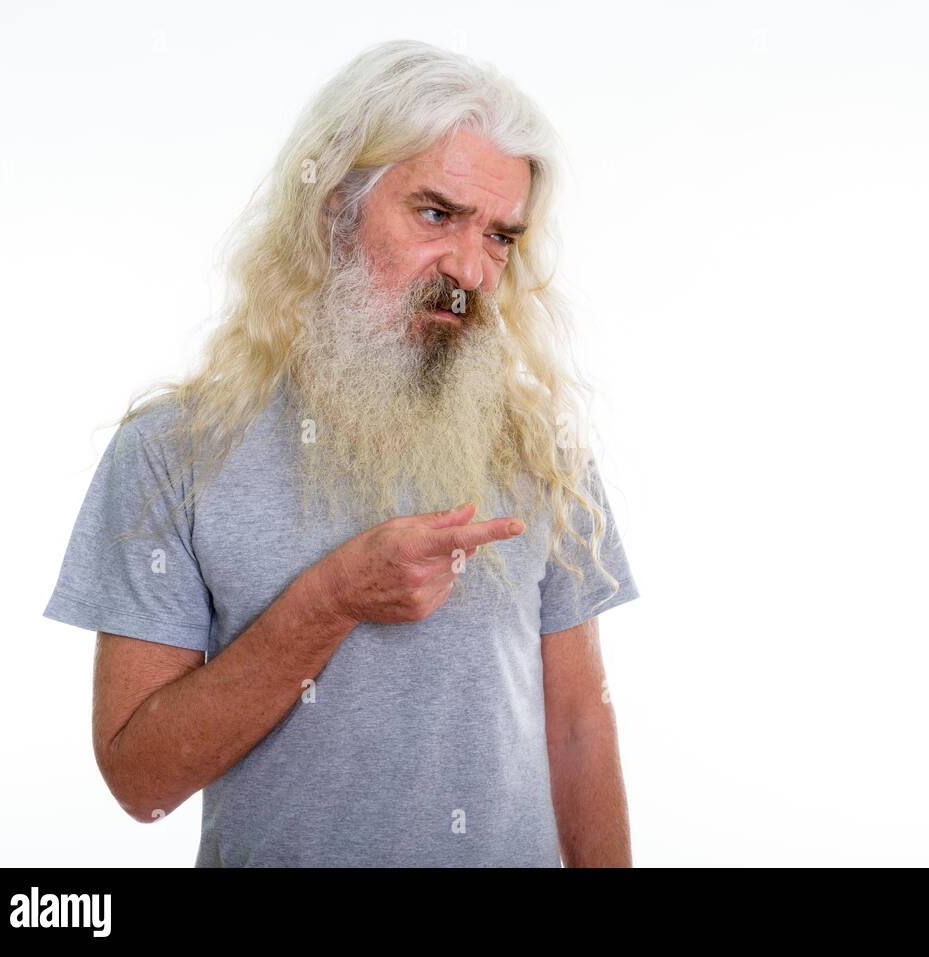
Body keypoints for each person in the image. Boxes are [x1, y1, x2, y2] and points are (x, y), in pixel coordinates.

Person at [43, 39, 640, 867]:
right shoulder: (171, 453)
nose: (470, 267)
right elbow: (140, 782)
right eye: (436, 214)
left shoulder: (541, 447)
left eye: (501, 236)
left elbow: (579, 722)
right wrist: (330, 598)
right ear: (333, 208)